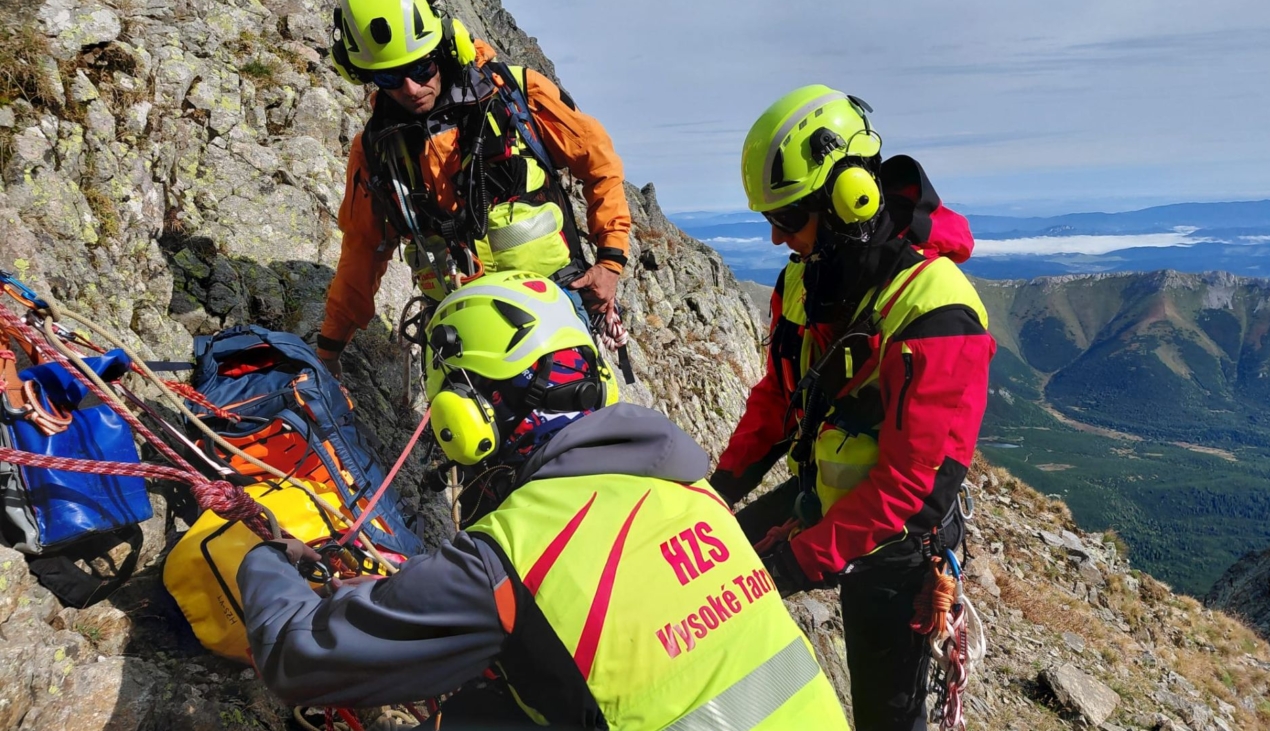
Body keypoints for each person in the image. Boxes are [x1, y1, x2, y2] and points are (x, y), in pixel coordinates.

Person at [237, 272, 851, 730]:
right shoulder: (692, 493)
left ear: (465, 417)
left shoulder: (512, 554)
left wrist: (263, 558)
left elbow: (296, 656)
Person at [708, 86, 996, 731]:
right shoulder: (807, 278)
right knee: (712, 576)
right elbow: (782, 394)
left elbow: (912, 488)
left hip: (899, 540)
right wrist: (718, 489)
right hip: (824, 495)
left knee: (886, 715)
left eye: (789, 217)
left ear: (849, 200)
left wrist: (794, 561)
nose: (779, 237)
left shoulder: (939, 313)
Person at [316, 0, 632, 377]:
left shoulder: (516, 95)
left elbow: (598, 162)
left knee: (574, 426)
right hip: (460, 328)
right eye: (389, 78)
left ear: (445, 49)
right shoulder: (375, 150)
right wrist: (329, 348)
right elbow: (363, 249)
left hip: (552, 306)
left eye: (421, 68)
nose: (411, 88)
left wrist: (610, 262)